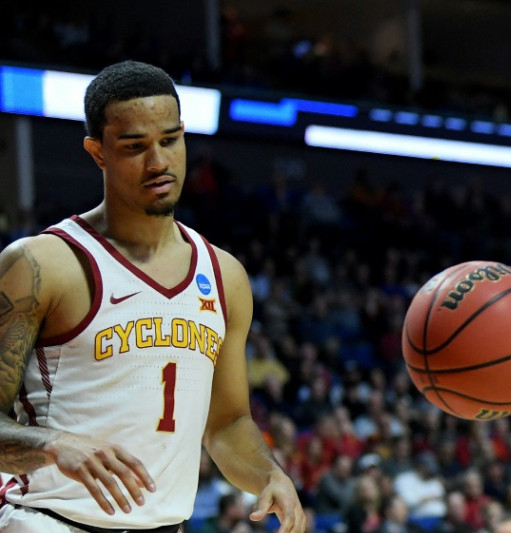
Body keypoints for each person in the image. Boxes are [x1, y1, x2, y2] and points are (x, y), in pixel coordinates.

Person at [0, 60, 305, 532]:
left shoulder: (225, 276)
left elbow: (226, 425)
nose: (158, 161)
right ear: (97, 152)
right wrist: (54, 444)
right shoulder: (41, 265)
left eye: (169, 139)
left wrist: (270, 474)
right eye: (135, 146)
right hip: (49, 521)